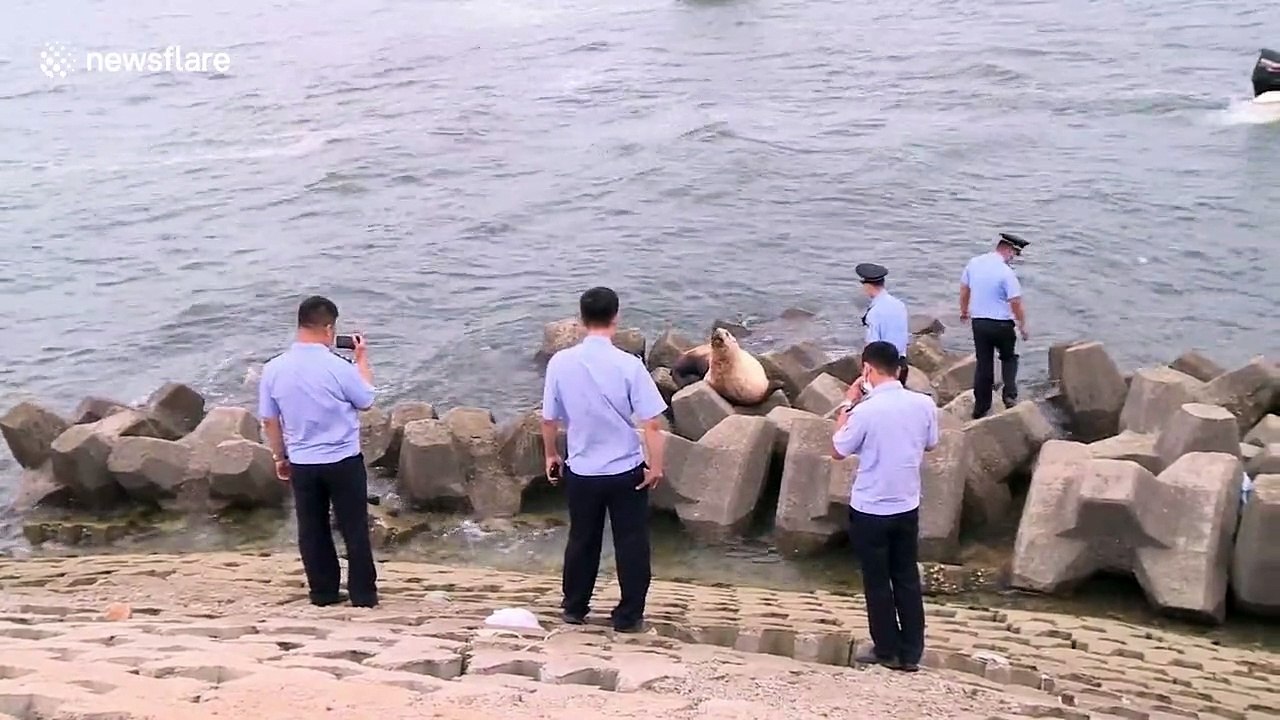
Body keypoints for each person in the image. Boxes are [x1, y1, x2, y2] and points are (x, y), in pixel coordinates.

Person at [540, 287, 667, 633]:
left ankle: (575, 606)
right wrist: (655, 465)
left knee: (582, 538)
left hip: (582, 468)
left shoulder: (560, 363)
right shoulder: (629, 365)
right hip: (625, 469)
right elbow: (651, 422)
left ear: (581, 320)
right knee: (631, 541)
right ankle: (628, 615)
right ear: (616, 318)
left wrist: (551, 453)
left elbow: (549, 419)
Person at [258, 295, 379, 608]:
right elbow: (366, 399)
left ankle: (323, 592)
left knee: (312, 528)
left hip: (302, 461)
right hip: (343, 460)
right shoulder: (338, 367)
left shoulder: (273, 369)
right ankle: (363, 595)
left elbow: (269, 420)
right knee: (354, 527)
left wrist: (279, 457)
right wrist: (362, 358)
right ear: (328, 328)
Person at [830, 340, 938, 673]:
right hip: (907, 503)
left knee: (877, 581)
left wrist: (847, 405)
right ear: (899, 370)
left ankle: (886, 648)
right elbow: (932, 444)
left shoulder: (865, 411)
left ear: (867, 369)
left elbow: (838, 448)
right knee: (905, 575)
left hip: (871, 507)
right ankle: (911, 652)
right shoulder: (924, 404)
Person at [959, 232, 1030, 419]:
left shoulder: (974, 263)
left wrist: (964, 311)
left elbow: (965, 289)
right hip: (1002, 325)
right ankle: (1010, 395)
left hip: (980, 323)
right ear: (1008, 250)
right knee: (1009, 358)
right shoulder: (1006, 272)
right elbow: (1015, 302)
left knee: (984, 365)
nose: (1014, 257)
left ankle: (981, 407)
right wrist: (1022, 325)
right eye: (1014, 253)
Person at [856, 262, 910, 384]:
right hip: (901, 365)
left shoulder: (874, 313)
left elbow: (872, 346)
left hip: (883, 370)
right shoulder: (899, 305)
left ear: (868, 286)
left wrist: (865, 372)